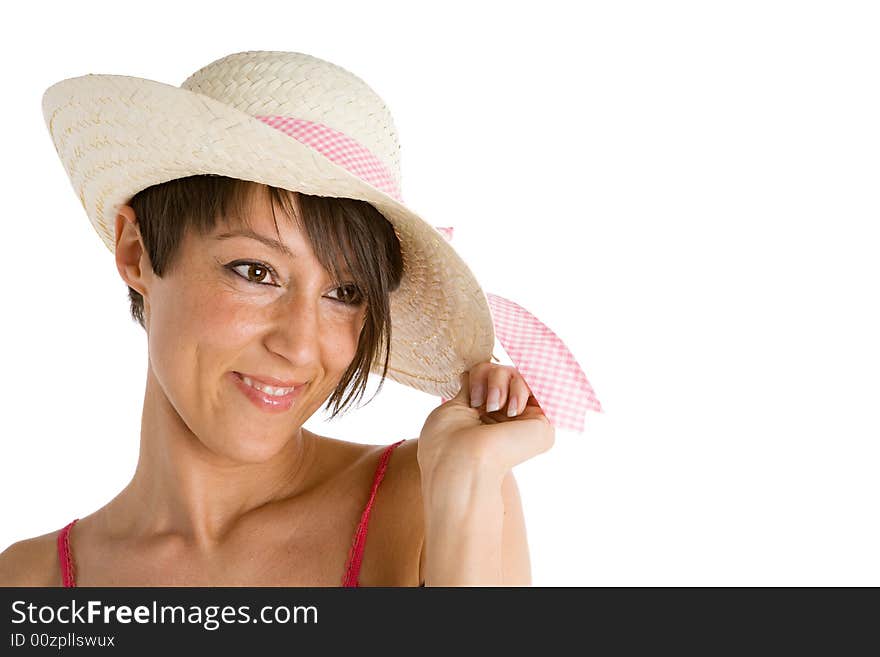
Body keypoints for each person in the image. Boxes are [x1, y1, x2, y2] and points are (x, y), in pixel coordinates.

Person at [0, 50, 599, 587]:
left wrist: (467, 483)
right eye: (256, 272)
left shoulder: (431, 501)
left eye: (344, 291)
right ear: (137, 252)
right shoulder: (29, 583)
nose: (301, 346)